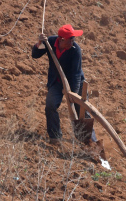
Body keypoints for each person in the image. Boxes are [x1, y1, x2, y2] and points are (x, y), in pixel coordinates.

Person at [31, 24, 101, 152]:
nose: (73, 42)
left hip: (76, 82)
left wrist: (73, 94)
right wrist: (39, 43)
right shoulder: (50, 41)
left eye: (73, 39)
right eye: (70, 39)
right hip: (57, 81)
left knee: (82, 111)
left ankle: (90, 142)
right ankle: (55, 137)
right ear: (61, 39)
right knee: (50, 105)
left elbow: (75, 74)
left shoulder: (75, 50)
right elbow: (35, 55)